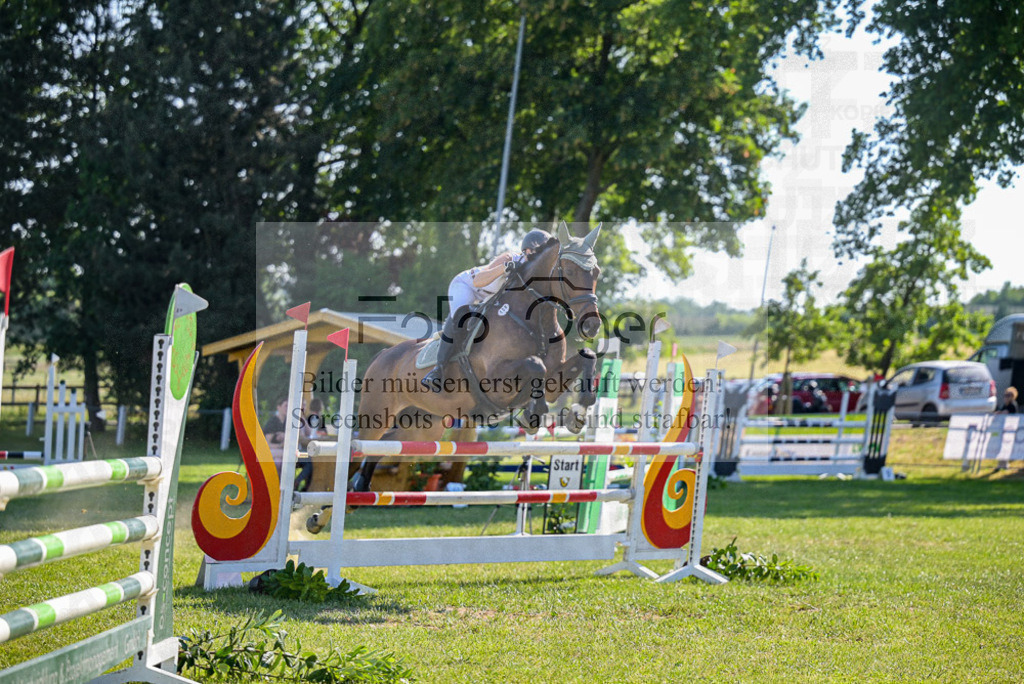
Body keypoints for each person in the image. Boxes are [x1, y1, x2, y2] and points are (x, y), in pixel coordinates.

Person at [421, 229, 552, 391]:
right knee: (461, 318)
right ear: (527, 250)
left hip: (490, 298)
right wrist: (505, 268)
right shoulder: (510, 258)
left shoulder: (530, 272)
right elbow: (478, 281)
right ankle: (438, 370)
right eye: (536, 253)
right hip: (468, 286)